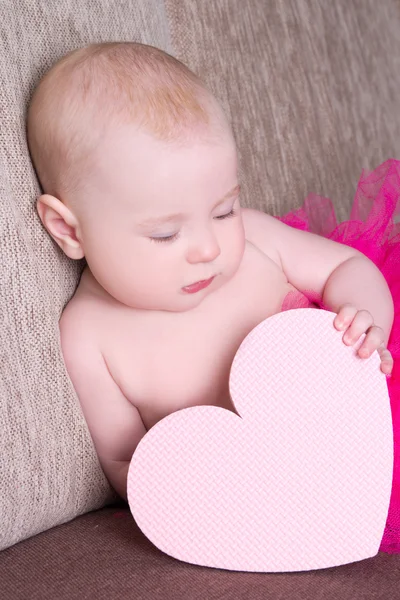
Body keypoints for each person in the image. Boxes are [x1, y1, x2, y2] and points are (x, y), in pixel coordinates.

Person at [26, 41, 399, 552]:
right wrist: (195, 498)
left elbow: (348, 265)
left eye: (224, 210)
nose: (208, 246)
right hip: (258, 493)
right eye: (164, 234)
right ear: (69, 229)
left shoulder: (259, 241)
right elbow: (124, 460)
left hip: (359, 421)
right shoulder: (90, 334)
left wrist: (366, 318)